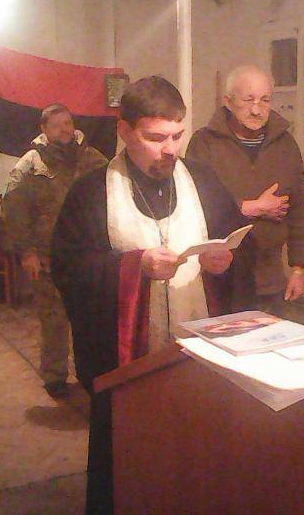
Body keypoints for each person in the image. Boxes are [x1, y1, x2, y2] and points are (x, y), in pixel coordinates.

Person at [51, 75, 252, 514]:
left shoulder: (202, 180)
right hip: (129, 366)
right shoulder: (91, 192)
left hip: (198, 360)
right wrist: (134, 267)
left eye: (177, 135)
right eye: (156, 138)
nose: (170, 149)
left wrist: (224, 263)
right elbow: (69, 269)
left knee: (197, 462)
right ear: (125, 131)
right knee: (130, 471)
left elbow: (235, 243)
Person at [2, 103, 108, 399]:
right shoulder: (30, 165)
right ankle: (54, 376)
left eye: (68, 123)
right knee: (54, 320)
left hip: (87, 256)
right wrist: (26, 252)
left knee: (90, 318)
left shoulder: (93, 159)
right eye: (57, 124)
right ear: (44, 129)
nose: (65, 129)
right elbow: (15, 211)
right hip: (47, 258)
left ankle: (91, 373)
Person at [187, 65, 304, 315]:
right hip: (220, 275)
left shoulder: (286, 145)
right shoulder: (204, 143)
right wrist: (252, 208)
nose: (257, 109)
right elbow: (193, 206)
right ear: (228, 101)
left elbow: (298, 210)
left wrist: (298, 269)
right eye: (248, 100)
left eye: (265, 100)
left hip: (270, 278)